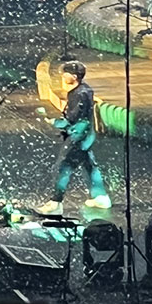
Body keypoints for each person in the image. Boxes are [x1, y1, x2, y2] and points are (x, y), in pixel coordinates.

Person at [39, 61, 109, 214]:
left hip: (78, 136)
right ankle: (100, 197)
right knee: (89, 166)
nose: (63, 77)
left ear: (74, 76)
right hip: (86, 136)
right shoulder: (84, 91)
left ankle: (55, 203)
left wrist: (55, 122)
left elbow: (74, 118)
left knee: (62, 167)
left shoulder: (79, 94)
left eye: (65, 73)